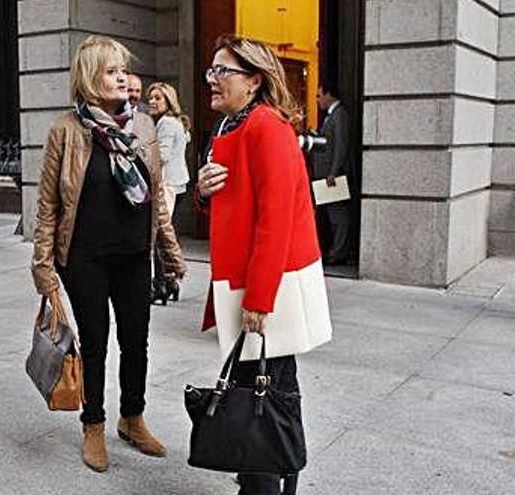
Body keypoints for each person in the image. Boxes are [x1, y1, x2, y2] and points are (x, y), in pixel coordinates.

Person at [31, 35, 187, 473]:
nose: (124, 78)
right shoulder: (66, 130)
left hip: (135, 255)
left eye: (124, 70)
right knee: (95, 344)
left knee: (136, 341)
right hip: (85, 257)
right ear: (89, 78)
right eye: (112, 70)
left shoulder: (144, 128)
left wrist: (170, 253)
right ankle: (93, 424)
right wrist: (43, 267)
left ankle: (132, 418)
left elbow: (156, 197)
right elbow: (48, 205)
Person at [196, 35, 332, 495]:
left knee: (268, 390)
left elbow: (277, 220)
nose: (212, 80)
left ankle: (264, 483)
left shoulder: (266, 127)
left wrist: (259, 298)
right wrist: (203, 190)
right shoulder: (231, 127)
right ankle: (262, 478)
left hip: (266, 283)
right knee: (263, 386)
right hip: (244, 278)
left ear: (253, 81)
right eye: (211, 71)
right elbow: (230, 208)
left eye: (222, 72)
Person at [146, 82, 191, 305]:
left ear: (168, 101)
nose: (152, 101)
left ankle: (162, 284)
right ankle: (169, 283)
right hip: (177, 183)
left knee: (159, 238)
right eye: (151, 97)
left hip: (167, 185)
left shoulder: (166, 123)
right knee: (165, 236)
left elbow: (161, 156)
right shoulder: (176, 123)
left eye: (158, 98)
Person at [313, 84, 352, 265]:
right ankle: (334, 251)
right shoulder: (331, 115)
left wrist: (333, 173)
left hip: (332, 176)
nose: (317, 100)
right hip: (326, 175)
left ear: (329, 94)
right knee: (331, 215)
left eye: (319, 96)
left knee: (338, 216)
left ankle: (338, 253)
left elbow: (341, 145)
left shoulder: (339, 115)